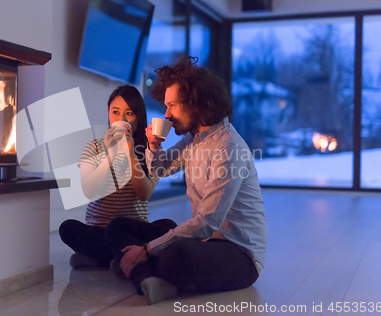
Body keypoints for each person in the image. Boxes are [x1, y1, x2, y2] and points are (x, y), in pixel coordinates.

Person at [105, 57, 267, 305]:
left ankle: (141, 269)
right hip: (203, 241)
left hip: (238, 254)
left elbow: (207, 222)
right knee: (118, 227)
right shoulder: (195, 139)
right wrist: (153, 145)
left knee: (174, 254)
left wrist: (148, 249)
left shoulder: (228, 147)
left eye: (172, 105)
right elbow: (160, 168)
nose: (167, 114)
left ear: (198, 104)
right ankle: (152, 278)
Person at [59, 85, 176, 269]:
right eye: (115, 112)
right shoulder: (95, 147)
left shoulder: (151, 151)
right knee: (67, 228)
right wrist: (110, 154)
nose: (121, 119)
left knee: (169, 226)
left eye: (129, 113)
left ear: (138, 117)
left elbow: (144, 194)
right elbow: (89, 191)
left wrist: (130, 154)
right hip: (99, 230)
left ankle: (100, 259)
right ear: (108, 113)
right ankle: (126, 256)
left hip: (131, 229)